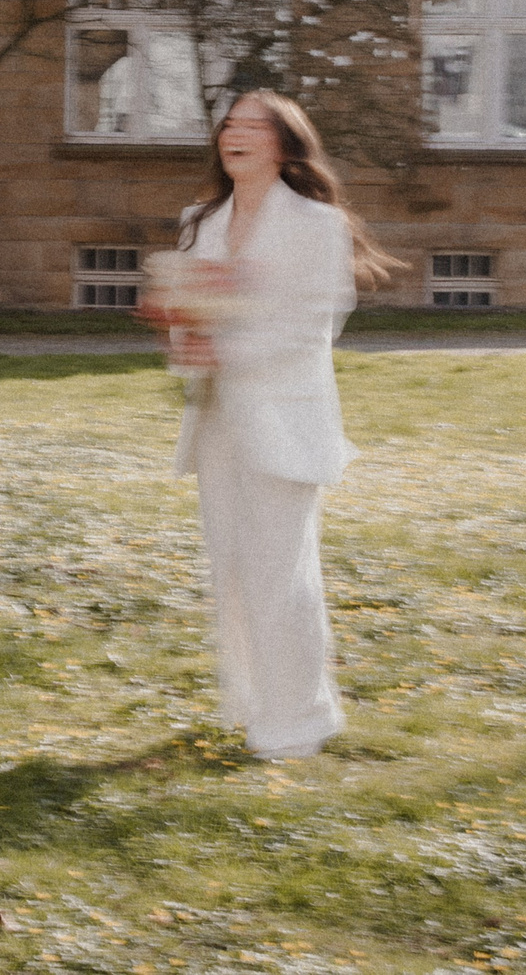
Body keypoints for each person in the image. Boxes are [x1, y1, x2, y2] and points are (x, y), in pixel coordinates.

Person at [150, 90, 395, 758]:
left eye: (253, 125)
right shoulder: (200, 221)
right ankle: (254, 705)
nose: (235, 133)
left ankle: (300, 721)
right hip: (217, 419)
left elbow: (313, 326)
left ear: (285, 143)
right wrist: (182, 335)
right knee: (233, 566)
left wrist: (226, 348)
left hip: (286, 419)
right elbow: (187, 313)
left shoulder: (318, 224)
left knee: (280, 571)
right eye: (229, 123)